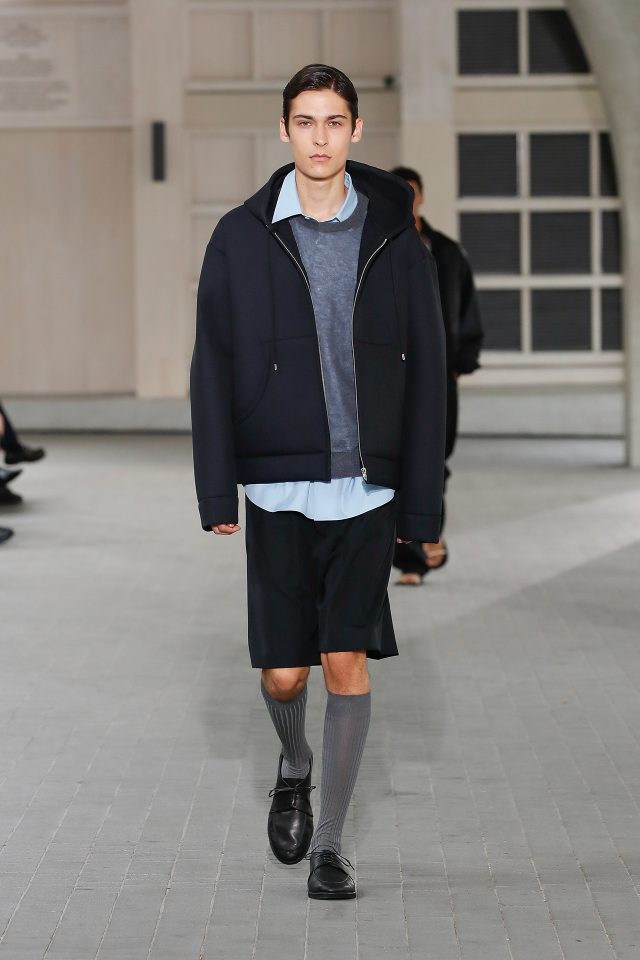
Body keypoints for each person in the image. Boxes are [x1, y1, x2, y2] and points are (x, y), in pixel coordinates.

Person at [190, 64, 446, 900]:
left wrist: (423, 504)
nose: (321, 137)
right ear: (284, 130)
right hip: (277, 489)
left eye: (335, 121)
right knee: (284, 675)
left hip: (367, 489)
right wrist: (216, 489)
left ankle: (331, 847)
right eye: (306, 121)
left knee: (345, 660)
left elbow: (428, 371)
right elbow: (212, 365)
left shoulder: (394, 236)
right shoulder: (241, 236)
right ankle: (293, 762)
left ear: (357, 130)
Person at [390, 166, 483, 585]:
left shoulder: (446, 251)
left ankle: (429, 533)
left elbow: (467, 310)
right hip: (390, 377)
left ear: (422, 197)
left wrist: (460, 363)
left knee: (434, 459)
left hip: (438, 376)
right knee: (392, 462)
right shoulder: (373, 247)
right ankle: (409, 559)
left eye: (411, 192)